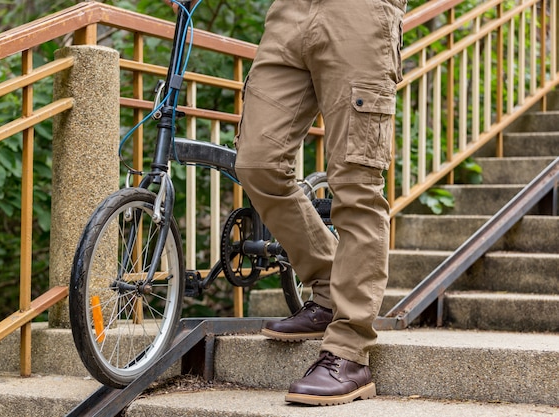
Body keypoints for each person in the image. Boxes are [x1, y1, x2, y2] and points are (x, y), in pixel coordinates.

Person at [164, 0, 406, 406]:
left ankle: (349, 351)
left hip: (360, 15)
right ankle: (329, 289)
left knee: (356, 183)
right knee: (258, 164)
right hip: (289, 13)